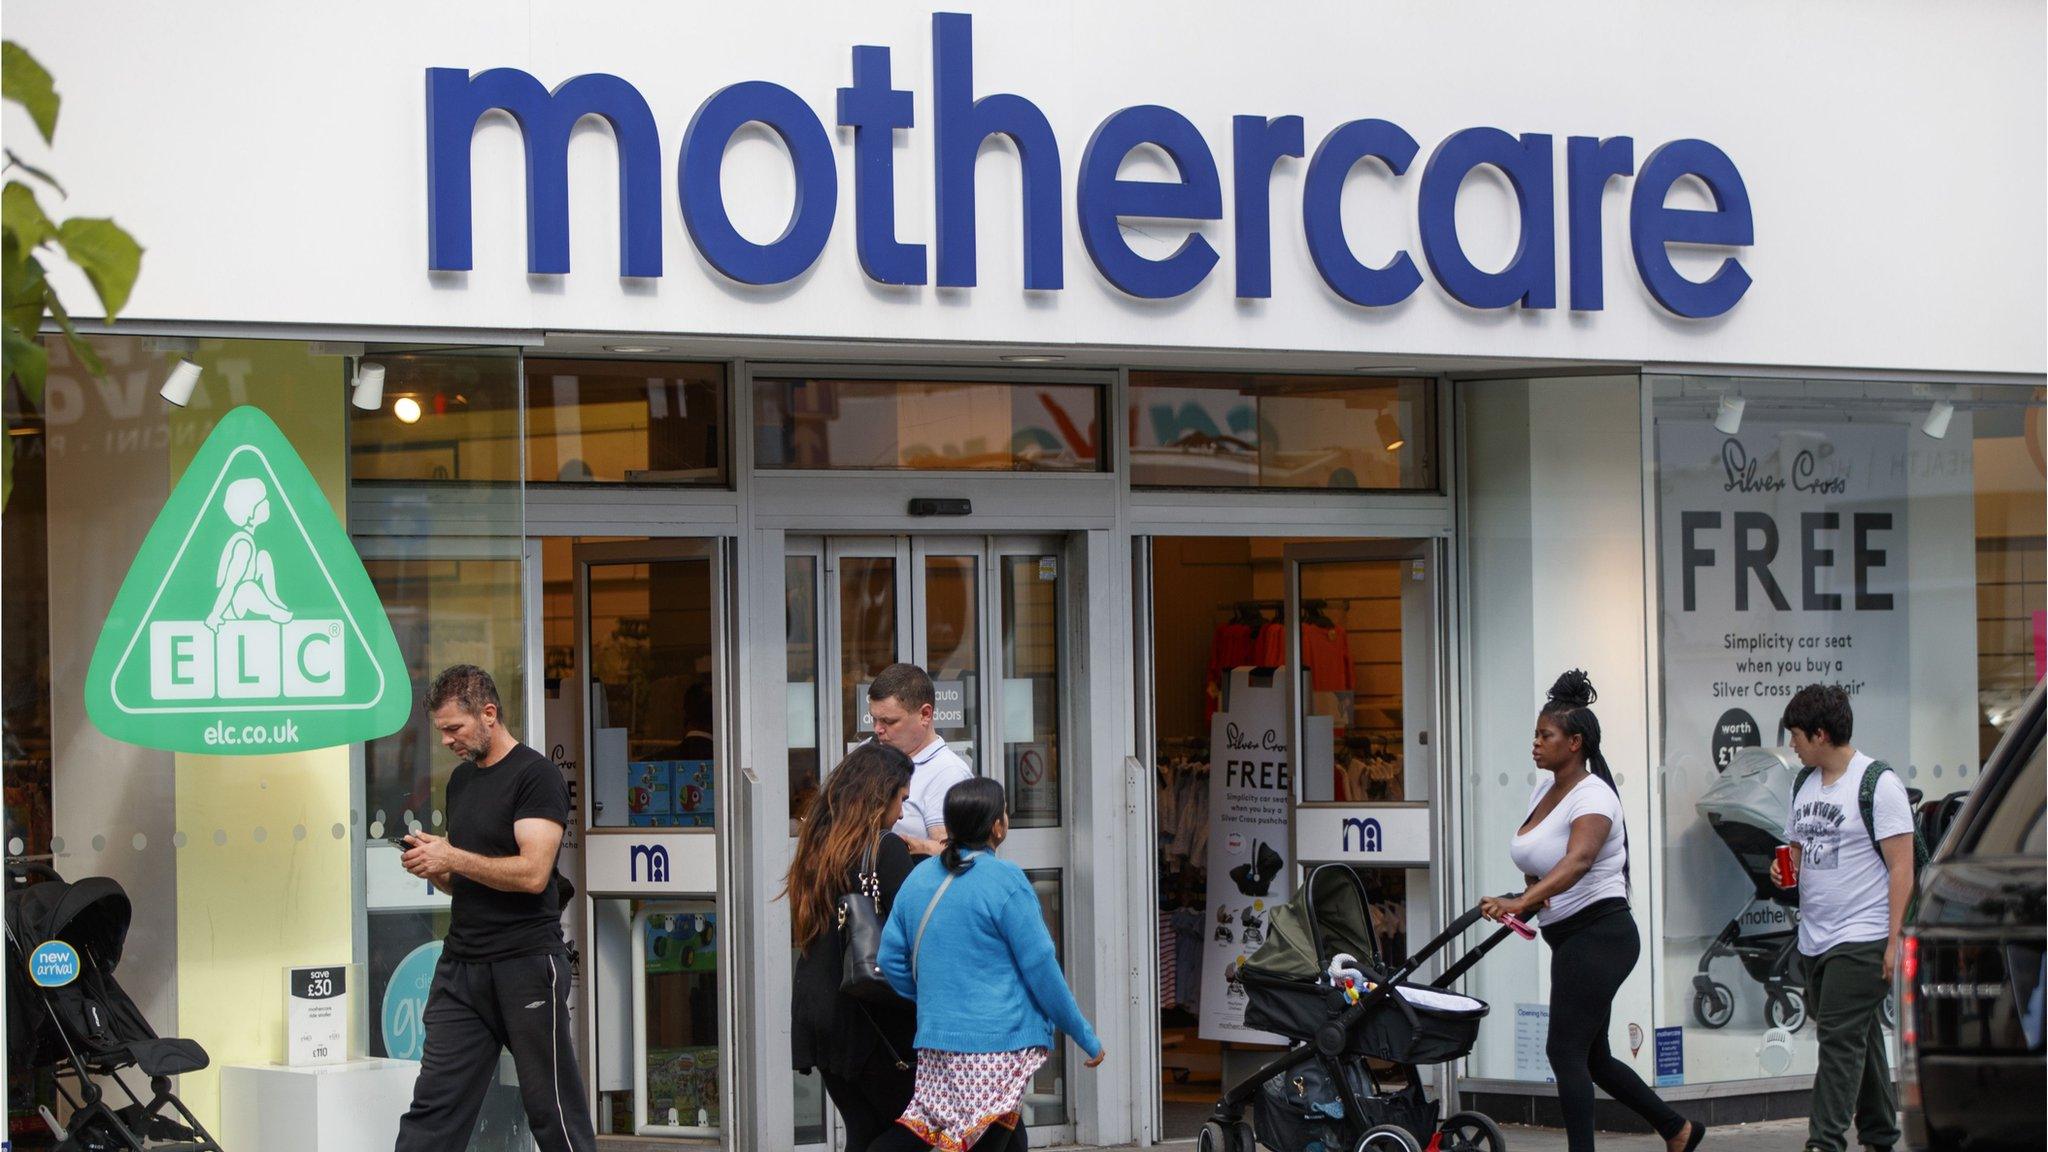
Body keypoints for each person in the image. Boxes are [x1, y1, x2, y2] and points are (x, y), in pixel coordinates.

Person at [1480, 671, 1701, 1152]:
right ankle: (1678, 1130)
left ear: (1575, 742)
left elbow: (1579, 860)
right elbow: (1543, 862)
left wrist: (1522, 902)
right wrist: (1527, 893)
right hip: (1571, 937)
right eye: (1536, 735)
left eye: (1546, 736)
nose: (1535, 744)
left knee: (1564, 1050)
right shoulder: (1545, 790)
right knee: (1593, 1057)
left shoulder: (1594, 795)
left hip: (1601, 936)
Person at [392, 665, 594, 1152]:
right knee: (434, 1107)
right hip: (462, 967)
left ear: (488, 714)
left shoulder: (535, 776)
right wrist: (434, 866)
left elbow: (531, 874)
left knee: (551, 1109)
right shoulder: (461, 782)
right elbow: (467, 881)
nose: (445, 741)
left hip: (524, 963)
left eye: (453, 729)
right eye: (440, 730)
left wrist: (452, 855)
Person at [875, 778, 1104, 1152]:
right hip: (996, 1047)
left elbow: (889, 959)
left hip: (938, 1043)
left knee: (998, 1134)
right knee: (986, 1136)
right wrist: (1084, 1036)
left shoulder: (920, 877)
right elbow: (1042, 968)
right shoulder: (1005, 880)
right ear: (998, 825)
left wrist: (933, 996)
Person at [1770, 684, 1911, 1152]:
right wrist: (1783, 867)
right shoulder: (1804, 783)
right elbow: (1796, 847)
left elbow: (1902, 870)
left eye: (1796, 735)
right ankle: (1880, 1135)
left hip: (1864, 933)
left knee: (1837, 1038)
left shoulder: (1877, 784)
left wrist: (1894, 942)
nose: (1792, 743)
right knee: (1860, 1032)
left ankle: (1823, 1141)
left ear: (1821, 734)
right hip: (1815, 935)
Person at [782, 742, 922, 1152]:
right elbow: (912, 927)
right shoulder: (885, 848)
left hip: (819, 1013)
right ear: (881, 796)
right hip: (870, 1017)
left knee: (864, 1131)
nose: (901, 813)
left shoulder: (818, 845)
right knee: (923, 1126)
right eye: (901, 799)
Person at [868, 664, 974, 857]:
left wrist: (908, 847)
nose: (877, 729)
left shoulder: (947, 773)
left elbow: (955, 854)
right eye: (873, 719)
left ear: (925, 715)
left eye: (888, 721)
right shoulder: (869, 751)